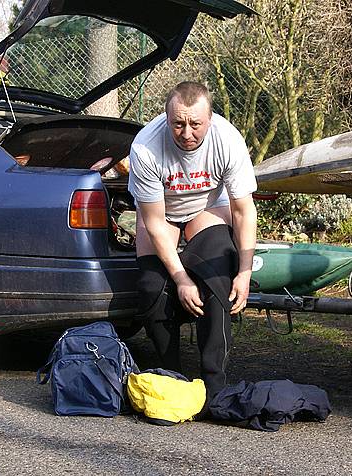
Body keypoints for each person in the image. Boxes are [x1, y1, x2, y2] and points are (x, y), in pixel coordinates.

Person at [128, 81, 257, 399]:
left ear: (209, 120)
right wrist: (181, 278)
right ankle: (171, 376)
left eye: (195, 124)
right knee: (151, 286)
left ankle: (214, 382)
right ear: (167, 117)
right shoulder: (146, 146)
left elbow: (243, 211)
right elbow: (155, 223)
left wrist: (245, 272)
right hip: (164, 214)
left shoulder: (227, 140)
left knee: (217, 274)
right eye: (178, 124)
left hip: (207, 208)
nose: (187, 133)